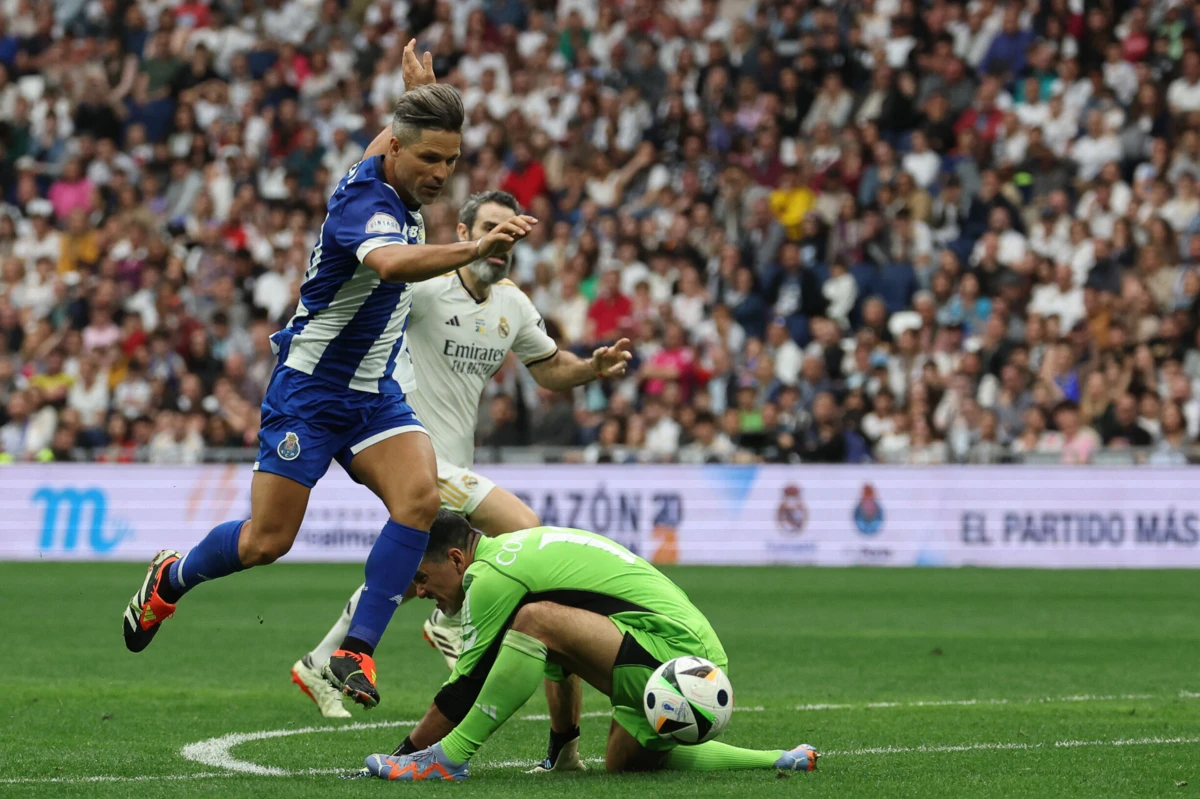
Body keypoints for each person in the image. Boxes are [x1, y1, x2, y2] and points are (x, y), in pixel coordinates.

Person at [121, 43, 539, 710]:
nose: (440, 173)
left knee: (419, 501)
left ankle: (353, 652)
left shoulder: (393, 158)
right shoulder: (365, 205)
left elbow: (400, 130)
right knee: (266, 541)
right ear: (396, 151)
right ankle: (170, 576)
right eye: (428, 158)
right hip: (310, 393)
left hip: (373, 395)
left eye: (452, 160)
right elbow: (393, 264)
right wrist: (475, 246)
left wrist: (419, 91)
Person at [291, 190, 632, 774]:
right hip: (411, 454)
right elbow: (371, 288)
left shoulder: (513, 306)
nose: (504, 240)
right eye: (491, 227)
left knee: (414, 570)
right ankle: (453, 629)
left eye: (512, 229)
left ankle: (325, 659)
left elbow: (549, 368)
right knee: (526, 534)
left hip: (457, 463)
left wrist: (590, 369)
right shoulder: (424, 287)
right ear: (466, 230)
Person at [356, 511, 818, 781]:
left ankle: (450, 760)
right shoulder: (513, 552)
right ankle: (780, 759)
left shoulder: (490, 577)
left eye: (421, 577)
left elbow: (464, 687)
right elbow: (562, 650)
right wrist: (563, 745)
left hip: (677, 657)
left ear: (456, 559)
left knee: (536, 621)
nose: (420, 592)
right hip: (686, 656)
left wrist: (404, 755)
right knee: (625, 764)